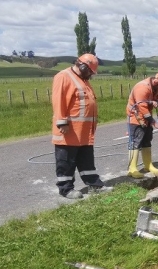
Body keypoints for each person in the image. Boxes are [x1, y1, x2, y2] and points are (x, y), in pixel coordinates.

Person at [51, 53, 112, 199]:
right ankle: (66, 189)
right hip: (69, 130)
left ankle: (94, 184)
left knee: (87, 161)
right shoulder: (64, 76)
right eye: (90, 71)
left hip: (84, 131)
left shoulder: (83, 80)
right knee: (66, 161)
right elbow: (58, 100)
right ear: (83, 66)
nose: (91, 75)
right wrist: (62, 122)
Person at [126, 71, 158, 178]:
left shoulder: (156, 88)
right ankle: (132, 169)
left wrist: (157, 102)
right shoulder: (142, 88)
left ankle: (148, 165)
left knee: (147, 140)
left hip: (146, 118)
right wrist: (154, 123)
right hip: (136, 118)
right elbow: (142, 108)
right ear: (157, 80)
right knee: (136, 142)